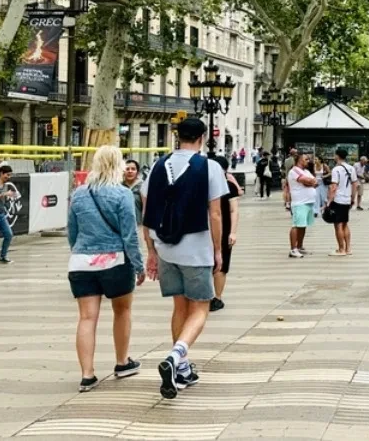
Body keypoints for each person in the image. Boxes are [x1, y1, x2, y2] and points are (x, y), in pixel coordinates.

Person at [141, 117, 229, 400]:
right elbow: (215, 213)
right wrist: (218, 250)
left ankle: (180, 369)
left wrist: (151, 250)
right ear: (202, 137)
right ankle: (175, 355)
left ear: (177, 136)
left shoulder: (157, 165)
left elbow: (147, 209)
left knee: (180, 306)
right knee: (201, 308)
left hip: (165, 247)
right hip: (196, 248)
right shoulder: (210, 167)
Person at [67, 146, 144, 392]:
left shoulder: (78, 194)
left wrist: (81, 251)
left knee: (87, 317)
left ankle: (87, 374)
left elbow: (72, 231)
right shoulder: (123, 195)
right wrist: (139, 265)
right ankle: (122, 362)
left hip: (82, 262)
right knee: (122, 311)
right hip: (115, 261)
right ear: (118, 165)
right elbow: (130, 235)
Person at [209, 156, 242, 312]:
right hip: (205, 229)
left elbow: (234, 210)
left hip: (224, 229)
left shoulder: (229, 186)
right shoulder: (204, 185)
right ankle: (205, 295)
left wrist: (233, 232)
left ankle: (217, 297)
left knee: (222, 265)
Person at [285, 153, 319, 258]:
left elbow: (314, 181)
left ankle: (299, 246)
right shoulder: (294, 171)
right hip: (299, 202)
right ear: (299, 160)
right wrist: (310, 182)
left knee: (303, 225)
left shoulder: (306, 171)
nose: (308, 161)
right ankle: (293, 249)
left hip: (308, 202)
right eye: (306, 159)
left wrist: (310, 182)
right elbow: (306, 180)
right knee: (296, 225)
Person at [327, 149, 357, 257]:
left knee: (338, 225)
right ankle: (348, 248)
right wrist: (353, 198)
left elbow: (334, 187)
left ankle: (341, 249)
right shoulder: (351, 168)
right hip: (347, 199)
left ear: (337, 156)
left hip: (338, 199)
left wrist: (329, 201)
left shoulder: (336, 169)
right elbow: (354, 184)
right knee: (345, 223)